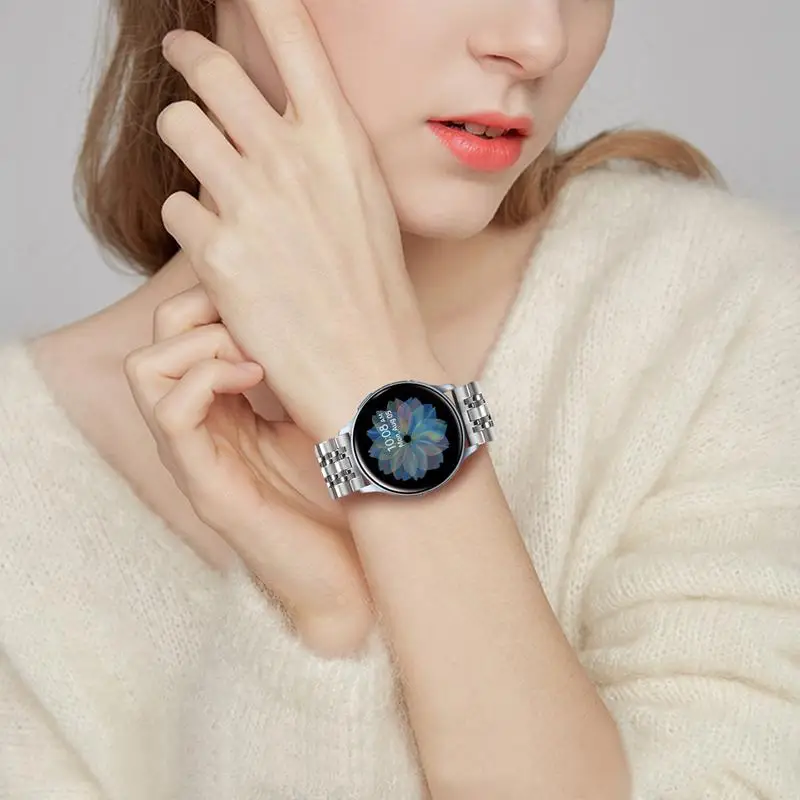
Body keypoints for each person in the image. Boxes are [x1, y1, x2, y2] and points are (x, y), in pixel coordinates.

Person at [1, 0, 798, 797]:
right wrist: (328, 632)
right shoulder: (19, 497)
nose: (538, 40)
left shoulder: (720, 315)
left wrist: (374, 375)